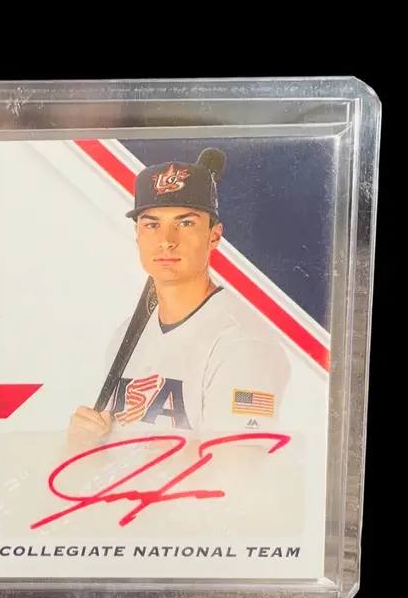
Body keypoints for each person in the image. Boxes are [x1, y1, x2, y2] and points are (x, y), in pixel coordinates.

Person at [67, 148, 291, 451]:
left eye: (185, 223)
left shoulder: (244, 344)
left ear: (214, 235)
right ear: (137, 235)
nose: (166, 240)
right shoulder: (125, 337)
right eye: (152, 224)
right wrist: (85, 449)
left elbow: (238, 472)